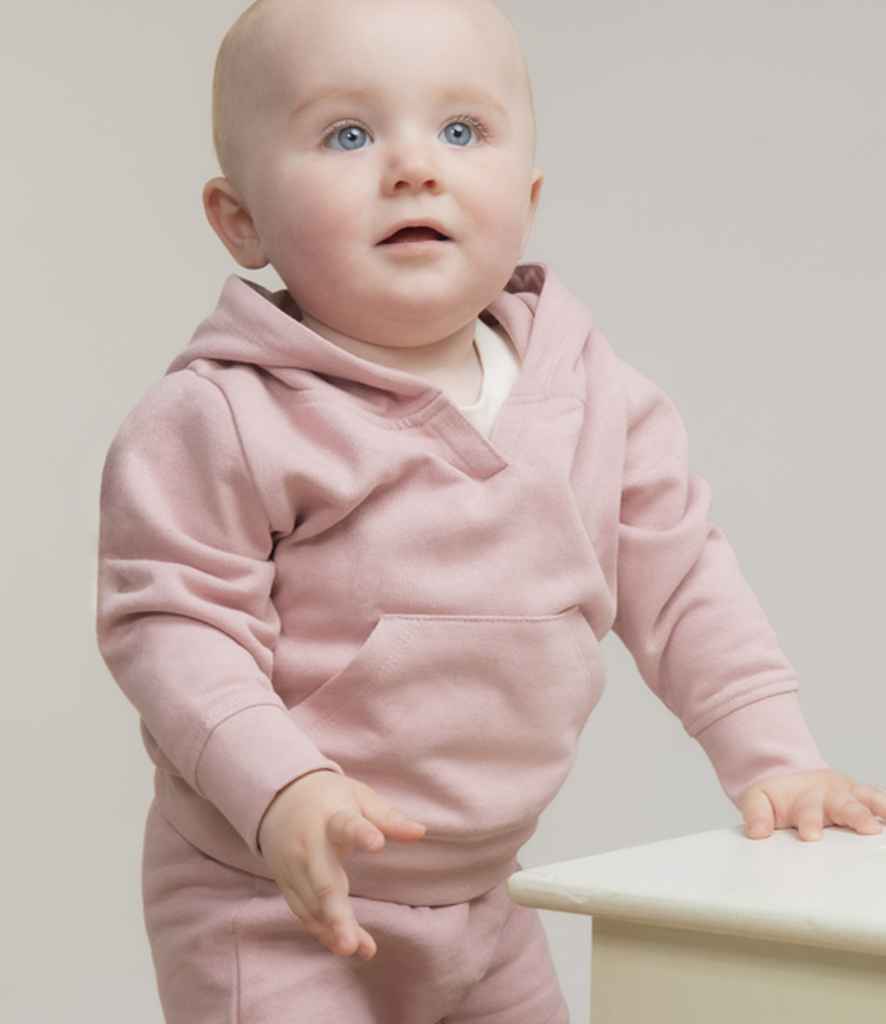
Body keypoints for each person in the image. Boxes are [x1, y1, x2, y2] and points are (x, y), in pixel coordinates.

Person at [95, 1, 886, 1021]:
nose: (414, 168)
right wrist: (281, 785)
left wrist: (777, 758)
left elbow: (683, 584)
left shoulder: (593, 396)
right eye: (348, 134)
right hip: (273, 894)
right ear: (239, 217)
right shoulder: (221, 416)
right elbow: (175, 629)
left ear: (527, 194)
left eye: (461, 131)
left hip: (487, 901)